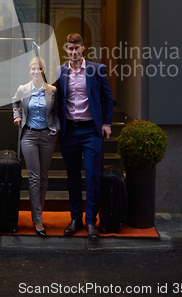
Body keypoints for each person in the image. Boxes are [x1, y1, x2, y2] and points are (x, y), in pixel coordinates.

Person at [55, 33, 114, 240]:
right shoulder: (59, 72)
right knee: (72, 177)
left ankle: (91, 222)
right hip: (69, 131)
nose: (73, 52)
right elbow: (56, 100)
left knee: (92, 176)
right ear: (66, 49)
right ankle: (75, 219)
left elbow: (108, 97)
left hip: (91, 131)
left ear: (82, 49)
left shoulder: (96, 69)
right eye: (69, 48)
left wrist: (106, 123)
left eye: (76, 48)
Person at [13, 57, 59, 236]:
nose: (35, 72)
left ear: (43, 70)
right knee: (34, 178)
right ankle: (38, 220)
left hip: (47, 136)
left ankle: (37, 214)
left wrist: (56, 129)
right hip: (29, 136)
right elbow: (15, 101)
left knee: (44, 177)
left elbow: (56, 113)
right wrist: (17, 116)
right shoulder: (23, 89)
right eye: (32, 69)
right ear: (29, 71)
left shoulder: (52, 91)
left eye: (39, 68)